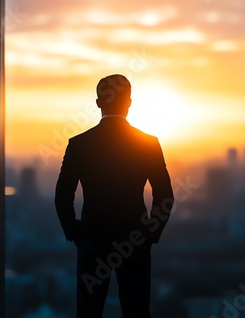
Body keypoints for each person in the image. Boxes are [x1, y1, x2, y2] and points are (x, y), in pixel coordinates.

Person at [55, 74, 174, 318]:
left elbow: (62, 195)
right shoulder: (148, 144)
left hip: (92, 239)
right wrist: (150, 233)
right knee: (136, 308)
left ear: (98, 103)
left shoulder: (79, 144)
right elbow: (165, 195)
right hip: (135, 238)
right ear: (129, 103)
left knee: (89, 310)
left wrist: (76, 233)